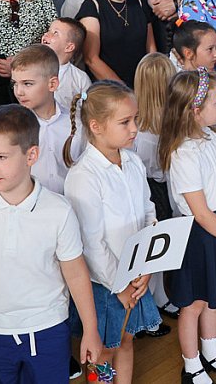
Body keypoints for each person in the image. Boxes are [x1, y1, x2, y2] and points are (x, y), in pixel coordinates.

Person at [0, 104, 102, 383]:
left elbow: (75, 272)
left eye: (1, 156)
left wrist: (90, 329)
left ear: (31, 155)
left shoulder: (59, 210)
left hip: (48, 327)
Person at [63, 80, 163, 384]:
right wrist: (118, 285)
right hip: (106, 284)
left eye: (135, 119)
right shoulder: (83, 177)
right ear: (96, 126)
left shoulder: (132, 162)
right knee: (104, 350)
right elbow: (91, 244)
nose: (134, 128)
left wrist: (145, 267)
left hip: (135, 275)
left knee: (126, 340)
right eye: (125, 122)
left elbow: (148, 211)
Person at [159, 68, 216, 384]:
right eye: (215, 102)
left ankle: (211, 352)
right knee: (193, 302)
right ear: (195, 110)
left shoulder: (211, 136)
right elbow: (199, 212)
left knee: (214, 296)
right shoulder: (182, 152)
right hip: (197, 234)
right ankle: (192, 363)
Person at [131, 52, 180, 320]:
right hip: (154, 190)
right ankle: (155, 302)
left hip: (154, 188)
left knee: (157, 250)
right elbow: (159, 171)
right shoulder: (148, 133)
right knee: (154, 251)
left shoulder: (147, 125)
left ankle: (158, 298)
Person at [10, 44, 84, 195]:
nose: (19, 92)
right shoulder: (11, 127)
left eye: (27, 84)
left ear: (52, 84)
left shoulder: (77, 124)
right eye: (15, 83)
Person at [76, 0, 154, 88]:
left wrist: (150, 83)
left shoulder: (138, 4)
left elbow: (151, 51)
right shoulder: (93, 6)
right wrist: (123, 90)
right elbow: (91, 58)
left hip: (143, 84)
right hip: (108, 88)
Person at [41, 17, 92, 107]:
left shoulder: (80, 78)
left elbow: (89, 108)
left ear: (69, 47)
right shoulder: (32, 69)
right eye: (49, 30)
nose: (46, 34)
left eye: (55, 33)